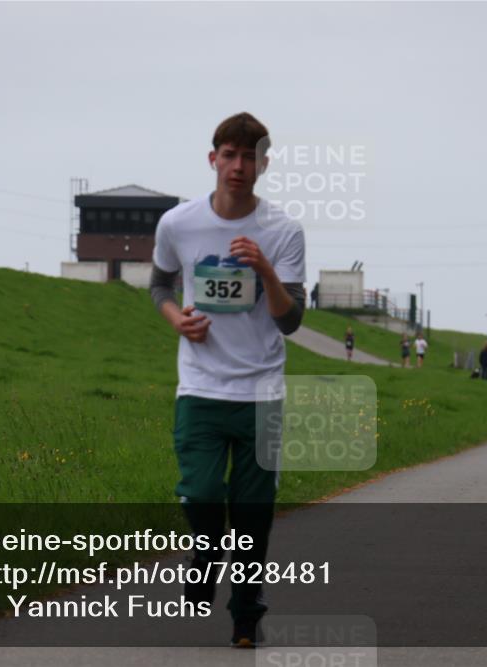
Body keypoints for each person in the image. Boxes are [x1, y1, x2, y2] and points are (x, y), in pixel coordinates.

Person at [149, 112, 306, 648]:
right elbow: (159, 286)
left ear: (263, 164)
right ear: (212, 158)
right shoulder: (178, 224)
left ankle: (246, 611)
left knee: (254, 511)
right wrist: (177, 320)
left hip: (261, 391)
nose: (238, 167)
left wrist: (264, 268)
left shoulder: (283, 231)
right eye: (229, 155)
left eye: (250, 157)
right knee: (198, 494)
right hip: (200, 387)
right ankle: (207, 550)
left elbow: (290, 320)